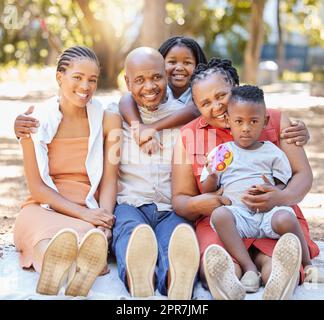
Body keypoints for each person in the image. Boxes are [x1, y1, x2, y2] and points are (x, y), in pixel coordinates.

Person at [172, 58, 320, 300]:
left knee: (275, 254)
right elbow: (180, 198)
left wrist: (280, 196)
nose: (217, 106)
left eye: (221, 95)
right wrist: (202, 203)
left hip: (272, 214)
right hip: (224, 220)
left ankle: (277, 278)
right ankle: (227, 281)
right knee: (217, 255)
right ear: (197, 106)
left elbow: (303, 174)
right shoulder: (188, 135)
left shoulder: (274, 119)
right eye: (205, 103)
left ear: (236, 87)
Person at [13, 46, 122, 297]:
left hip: (89, 205)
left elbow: (109, 179)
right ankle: (58, 270)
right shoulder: (33, 122)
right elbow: (37, 189)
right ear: (59, 77)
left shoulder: (109, 120)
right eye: (78, 77)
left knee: (87, 239)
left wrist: (102, 219)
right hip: (45, 206)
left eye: (92, 80)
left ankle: (76, 270)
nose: (85, 86)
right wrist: (86, 215)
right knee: (40, 235)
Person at [200, 84, 322, 296]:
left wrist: (273, 192)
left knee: (286, 217)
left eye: (253, 122)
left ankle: (307, 263)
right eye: (239, 121)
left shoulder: (272, 152)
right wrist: (212, 174)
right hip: (239, 214)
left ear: (265, 122)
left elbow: (283, 182)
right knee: (220, 215)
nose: (246, 128)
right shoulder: (220, 153)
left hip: (267, 214)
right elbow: (207, 188)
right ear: (228, 121)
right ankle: (248, 268)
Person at [111, 47, 200, 300]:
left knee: (178, 240)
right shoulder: (117, 115)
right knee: (130, 230)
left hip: (171, 208)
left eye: (156, 77)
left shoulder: (185, 115)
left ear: (166, 76)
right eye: (139, 80)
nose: (149, 86)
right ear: (127, 82)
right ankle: (138, 276)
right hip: (131, 203)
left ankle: (176, 279)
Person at [118, 36, 206, 153]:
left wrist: (151, 128)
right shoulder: (157, 89)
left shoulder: (201, 89)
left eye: (187, 62)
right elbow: (127, 98)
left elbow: (194, 110)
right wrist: (138, 127)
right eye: (172, 62)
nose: (179, 67)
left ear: (197, 66)